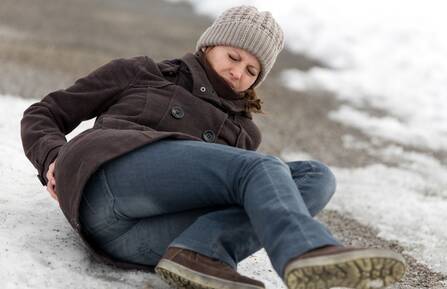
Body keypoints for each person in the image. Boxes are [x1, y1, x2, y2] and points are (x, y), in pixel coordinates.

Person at [20, 5, 406, 289]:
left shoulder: (243, 135)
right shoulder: (145, 73)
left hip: (140, 241)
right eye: (233, 57)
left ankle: (199, 252)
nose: (239, 72)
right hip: (104, 183)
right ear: (209, 46)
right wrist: (53, 156)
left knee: (317, 178)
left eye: (252, 70)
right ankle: (305, 253)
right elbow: (44, 112)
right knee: (261, 169)